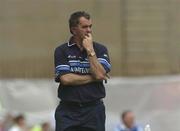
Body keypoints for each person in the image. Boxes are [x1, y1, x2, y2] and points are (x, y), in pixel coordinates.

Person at [54, 11, 111, 131]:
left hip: (93, 110)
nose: (89, 30)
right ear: (74, 30)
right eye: (84, 27)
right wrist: (92, 78)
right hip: (68, 111)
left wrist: (90, 50)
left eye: (90, 26)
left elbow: (100, 74)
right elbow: (66, 79)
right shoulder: (61, 50)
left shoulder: (100, 49)